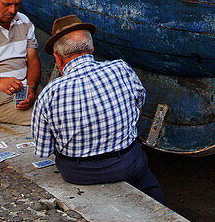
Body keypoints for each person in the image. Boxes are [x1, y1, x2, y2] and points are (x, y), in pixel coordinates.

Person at [32, 16, 164, 204]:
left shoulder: (49, 93)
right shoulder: (121, 69)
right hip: (127, 164)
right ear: (92, 49)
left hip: (79, 173)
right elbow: (139, 108)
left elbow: (43, 150)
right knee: (150, 186)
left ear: (58, 58)